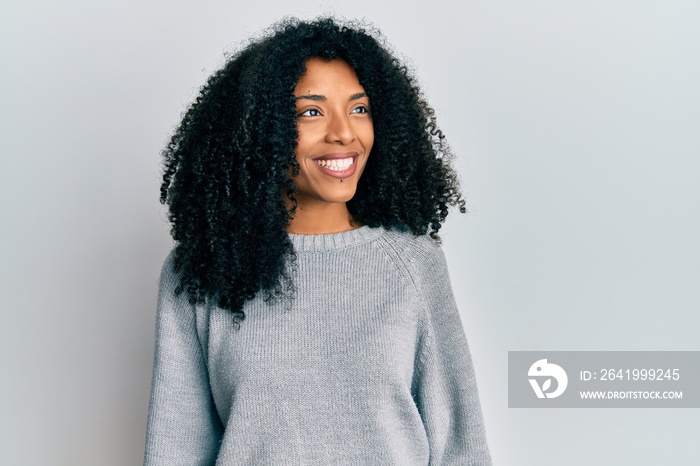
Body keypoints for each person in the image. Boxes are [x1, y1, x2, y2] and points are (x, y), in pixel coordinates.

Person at [144, 17, 492, 466]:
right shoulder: (202, 270)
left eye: (359, 109)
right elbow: (176, 448)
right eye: (311, 112)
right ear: (260, 131)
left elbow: (460, 445)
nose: (344, 133)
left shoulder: (413, 263)